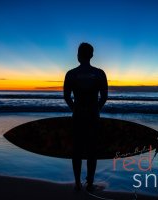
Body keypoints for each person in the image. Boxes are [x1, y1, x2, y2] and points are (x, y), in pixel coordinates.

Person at [63, 42, 108, 191]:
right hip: (94, 116)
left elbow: (66, 97)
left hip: (78, 117)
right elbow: (104, 96)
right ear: (91, 55)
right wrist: (96, 109)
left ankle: (77, 183)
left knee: (77, 151)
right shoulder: (100, 73)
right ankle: (89, 184)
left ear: (78, 56)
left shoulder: (71, 74)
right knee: (92, 151)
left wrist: (75, 109)